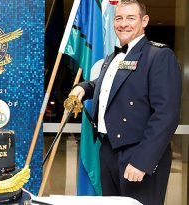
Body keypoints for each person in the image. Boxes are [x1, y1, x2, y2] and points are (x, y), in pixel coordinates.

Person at [69, 1, 181, 205]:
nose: (123, 24)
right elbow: (106, 85)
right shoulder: (113, 57)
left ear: (144, 21)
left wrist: (142, 161)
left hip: (137, 153)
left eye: (131, 18)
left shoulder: (158, 56)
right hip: (108, 151)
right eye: (119, 18)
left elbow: (166, 115)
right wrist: (84, 88)